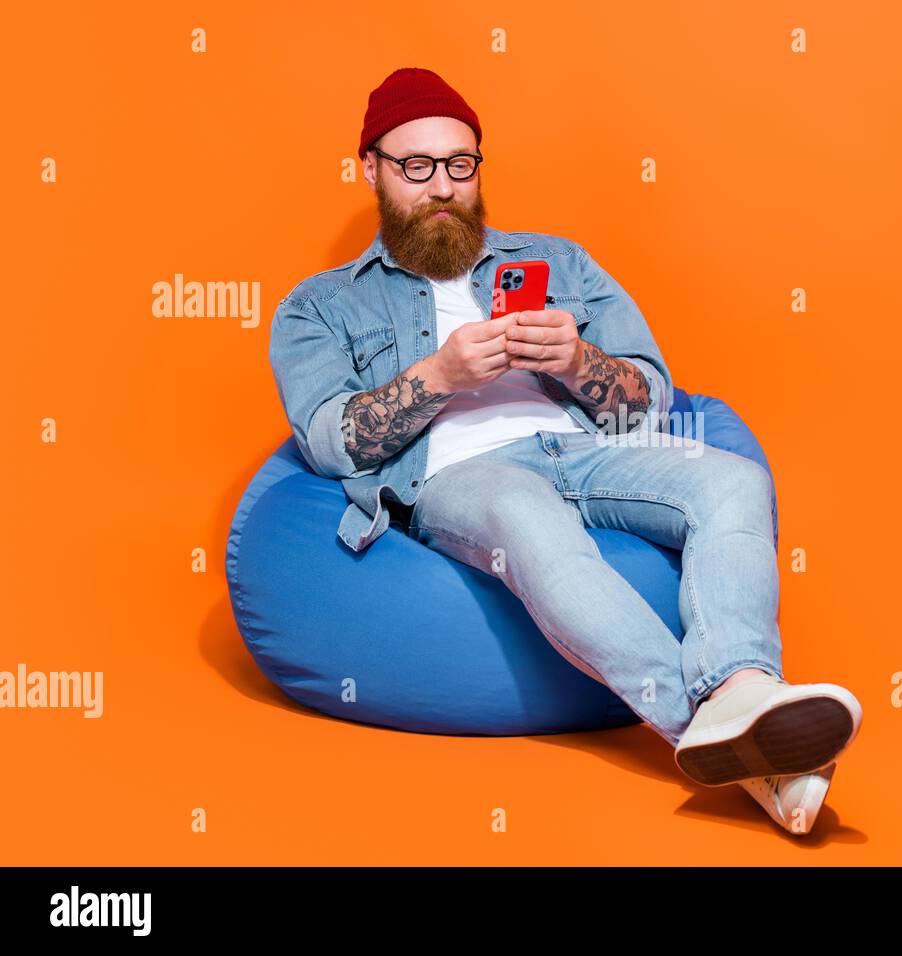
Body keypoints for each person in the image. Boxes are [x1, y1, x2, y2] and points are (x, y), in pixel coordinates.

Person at [268, 67, 863, 835]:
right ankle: (720, 735)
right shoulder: (317, 305)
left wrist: (577, 362)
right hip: (457, 476)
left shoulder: (563, 262)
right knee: (525, 509)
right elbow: (330, 445)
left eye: (460, 164)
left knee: (733, 480)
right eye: (417, 166)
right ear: (371, 170)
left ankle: (742, 687)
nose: (442, 186)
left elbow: (651, 399)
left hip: (585, 451)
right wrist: (438, 375)